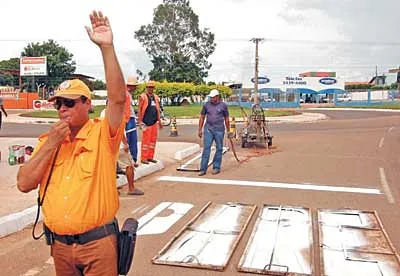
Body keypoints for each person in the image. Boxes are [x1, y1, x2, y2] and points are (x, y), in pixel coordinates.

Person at [17, 11, 126, 275]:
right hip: (60, 248)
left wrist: (107, 48)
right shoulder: (48, 141)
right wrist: (53, 143)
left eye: (69, 102)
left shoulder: (102, 134)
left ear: (87, 104)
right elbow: (24, 183)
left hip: (98, 245)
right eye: (58, 103)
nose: (62, 109)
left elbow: (118, 99)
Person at [198, 89, 230, 176]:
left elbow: (226, 118)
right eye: (210, 97)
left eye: (213, 97)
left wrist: (229, 130)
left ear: (217, 97)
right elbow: (202, 117)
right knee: (206, 149)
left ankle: (216, 167)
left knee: (219, 148)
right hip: (208, 129)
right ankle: (203, 169)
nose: (211, 99)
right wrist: (200, 129)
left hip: (219, 130)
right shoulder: (206, 105)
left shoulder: (223, 106)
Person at [137, 80, 163, 164]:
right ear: (146, 88)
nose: (151, 89)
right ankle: (144, 158)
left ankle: (150, 156)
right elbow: (140, 110)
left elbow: (158, 109)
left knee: (152, 141)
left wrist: (160, 121)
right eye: (149, 87)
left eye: (152, 87)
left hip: (154, 121)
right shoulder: (143, 97)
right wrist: (140, 121)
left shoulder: (155, 97)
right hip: (146, 122)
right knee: (146, 141)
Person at [125, 76, 139, 167]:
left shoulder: (128, 94)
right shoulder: (124, 94)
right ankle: (130, 160)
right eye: (135, 86)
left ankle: (133, 159)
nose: (136, 88)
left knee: (132, 140)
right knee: (129, 140)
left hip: (131, 118)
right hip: (127, 119)